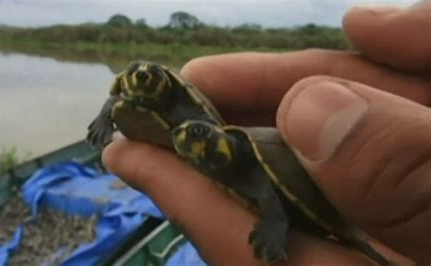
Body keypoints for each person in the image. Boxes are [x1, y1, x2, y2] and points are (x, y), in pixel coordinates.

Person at [103, 2, 430, 265]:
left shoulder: (251, 163)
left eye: (199, 133)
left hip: (332, 212)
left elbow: (270, 198)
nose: (189, 138)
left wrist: (274, 228)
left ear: (223, 139)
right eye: (186, 141)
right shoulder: (218, 157)